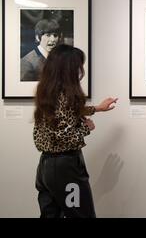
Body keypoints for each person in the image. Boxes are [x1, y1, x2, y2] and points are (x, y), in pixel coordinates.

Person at [33, 44, 118, 218]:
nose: (80, 70)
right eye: (78, 66)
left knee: (50, 215)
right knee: (80, 215)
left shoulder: (48, 92)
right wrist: (86, 128)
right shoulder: (63, 95)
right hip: (65, 167)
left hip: (46, 166)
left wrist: (97, 109)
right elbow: (64, 136)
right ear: (68, 69)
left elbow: (66, 114)